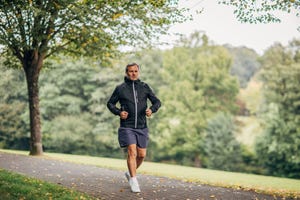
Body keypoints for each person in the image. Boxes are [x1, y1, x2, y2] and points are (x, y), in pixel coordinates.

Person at [107, 63, 161, 193]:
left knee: (142, 155)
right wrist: (119, 112)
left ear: (139, 72)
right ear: (126, 73)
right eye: (130, 71)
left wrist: (151, 110)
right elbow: (110, 103)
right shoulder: (120, 88)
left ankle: (130, 172)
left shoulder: (144, 87)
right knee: (132, 152)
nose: (133, 73)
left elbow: (157, 102)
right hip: (127, 126)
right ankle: (134, 180)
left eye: (135, 71)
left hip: (142, 126)